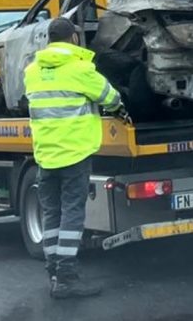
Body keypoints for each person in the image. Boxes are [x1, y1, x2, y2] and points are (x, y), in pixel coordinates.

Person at [23, 18, 124, 299]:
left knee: (52, 215)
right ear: (74, 39)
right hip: (75, 153)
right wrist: (118, 106)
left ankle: (54, 272)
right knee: (72, 215)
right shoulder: (79, 69)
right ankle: (67, 278)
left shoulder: (32, 72)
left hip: (46, 155)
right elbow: (109, 97)